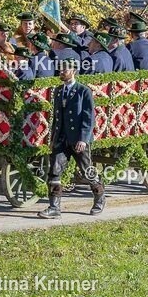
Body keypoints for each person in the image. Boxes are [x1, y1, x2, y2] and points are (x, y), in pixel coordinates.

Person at [39, 58, 104, 218]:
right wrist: (53, 138)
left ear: (73, 71)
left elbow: (89, 117)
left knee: (87, 171)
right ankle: (54, 208)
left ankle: (100, 198)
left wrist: (83, 138)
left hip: (78, 139)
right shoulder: (59, 91)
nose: (61, 72)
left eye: (65, 70)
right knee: (55, 171)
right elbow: (57, 117)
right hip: (61, 138)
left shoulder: (84, 91)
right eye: (60, 69)